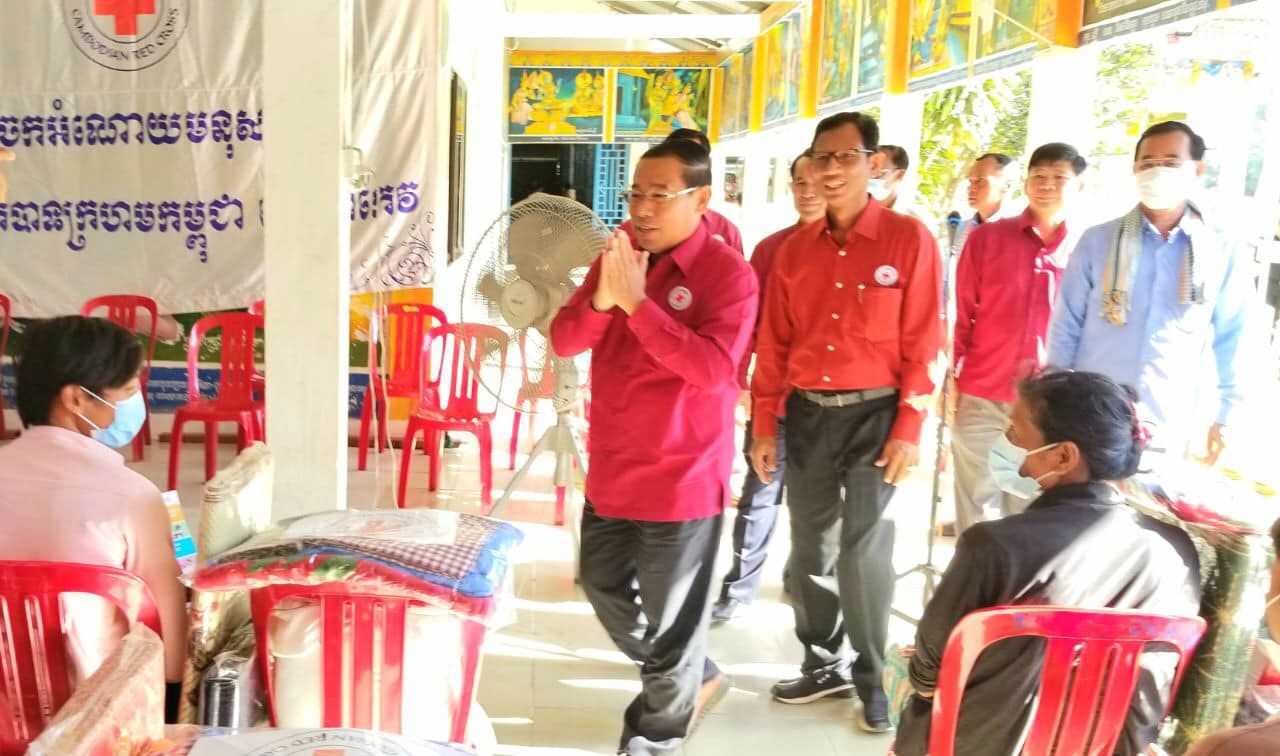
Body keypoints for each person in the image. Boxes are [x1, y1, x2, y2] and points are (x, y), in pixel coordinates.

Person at [550, 139, 757, 755]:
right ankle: (695, 675)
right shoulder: (619, 253)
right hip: (614, 468)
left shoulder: (728, 274)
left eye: (659, 195)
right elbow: (564, 340)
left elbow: (713, 371)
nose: (641, 208)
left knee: (673, 622)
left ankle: (657, 737)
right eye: (635, 193)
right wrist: (602, 299)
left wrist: (638, 306)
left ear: (701, 198)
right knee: (605, 587)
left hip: (682, 477)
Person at [750, 111, 943, 732]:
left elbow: (925, 342)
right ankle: (821, 660)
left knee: (864, 548)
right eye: (821, 158)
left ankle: (872, 675)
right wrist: (762, 423)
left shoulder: (908, 240)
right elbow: (774, 344)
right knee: (811, 545)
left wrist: (909, 426)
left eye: (846, 157)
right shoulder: (793, 252)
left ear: (873, 163)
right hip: (808, 415)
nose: (831, 169)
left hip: (877, 416)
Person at [894, 371, 1202, 756]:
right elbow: (1157, 680)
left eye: (1015, 432)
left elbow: (928, 672)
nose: (1006, 443)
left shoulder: (992, 547)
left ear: (1064, 456)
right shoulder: (1176, 552)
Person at [0, 316, 189, 719]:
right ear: (75, 399)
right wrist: (175, 697)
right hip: (98, 717)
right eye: (128, 392)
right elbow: (169, 635)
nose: (135, 405)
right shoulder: (132, 496)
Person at [1048, 121, 1251, 462]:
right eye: (1148, 163)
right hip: (1092, 415)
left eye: (1171, 162)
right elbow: (1065, 325)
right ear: (1135, 170)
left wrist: (1227, 416)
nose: (1157, 172)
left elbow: (1234, 337)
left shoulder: (1220, 249)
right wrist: (1054, 397)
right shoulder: (1098, 241)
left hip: (1170, 421)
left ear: (1197, 170)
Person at [712, 149, 825, 623]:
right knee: (760, 494)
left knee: (815, 503)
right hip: (774, 396)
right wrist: (739, 381)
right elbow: (748, 325)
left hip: (829, 404)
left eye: (816, 182)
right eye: (799, 182)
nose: (807, 191)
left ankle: (803, 581)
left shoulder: (854, 253)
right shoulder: (770, 250)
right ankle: (738, 591)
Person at [950, 143, 1086, 533]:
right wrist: (950, 378)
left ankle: (1019, 574)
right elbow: (961, 314)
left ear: (1079, 186)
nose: (1047, 185)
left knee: (1032, 505)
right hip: (982, 391)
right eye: (1038, 176)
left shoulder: (1086, 247)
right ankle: (974, 572)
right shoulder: (988, 239)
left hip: (1048, 403)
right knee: (976, 501)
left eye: (1059, 178)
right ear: (1025, 183)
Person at [953, 152, 1018, 256]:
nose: (971, 188)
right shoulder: (959, 232)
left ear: (1007, 185)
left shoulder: (1018, 233)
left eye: (980, 180)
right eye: (970, 181)